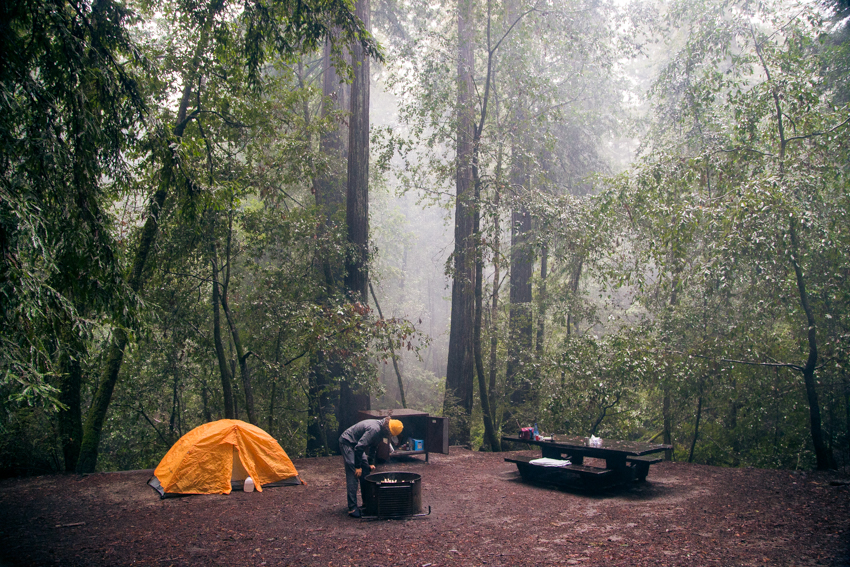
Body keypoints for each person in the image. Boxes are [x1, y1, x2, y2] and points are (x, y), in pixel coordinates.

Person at [339, 416, 404, 517]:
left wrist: (370, 462)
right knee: (354, 474)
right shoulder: (375, 429)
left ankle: (366, 502)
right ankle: (352, 508)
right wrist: (357, 467)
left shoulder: (381, 430)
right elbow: (359, 447)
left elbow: (374, 445)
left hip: (357, 444)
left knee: (365, 471)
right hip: (348, 442)